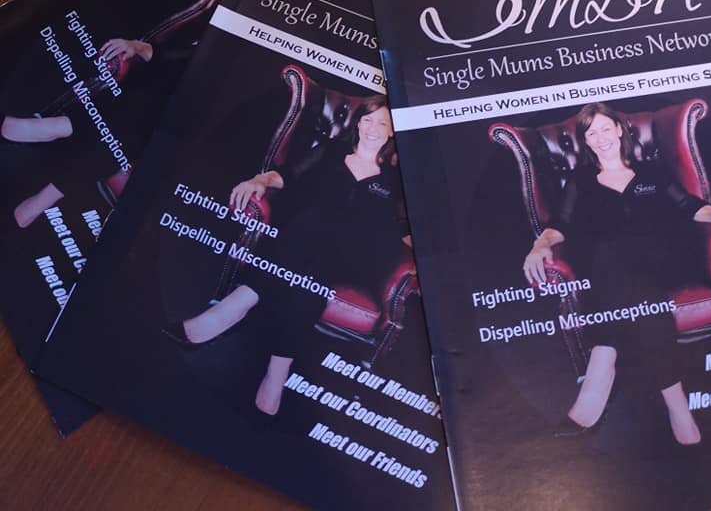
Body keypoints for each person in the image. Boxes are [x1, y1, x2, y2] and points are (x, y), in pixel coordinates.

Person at [164, 95, 412, 416]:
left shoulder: (396, 180)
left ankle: (234, 307)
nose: (373, 128)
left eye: (382, 123)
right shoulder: (333, 151)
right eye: (368, 119)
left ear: (391, 131)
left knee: (316, 227)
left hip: (356, 259)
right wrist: (258, 180)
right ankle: (275, 377)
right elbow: (288, 174)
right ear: (358, 122)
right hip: (311, 251)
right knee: (311, 278)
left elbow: (404, 229)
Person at [522, 102, 711, 445]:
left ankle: (601, 367)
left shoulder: (651, 171)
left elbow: (689, 206)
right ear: (586, 141)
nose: (600, 138)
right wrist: (541, 244)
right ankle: (678, 405)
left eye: (605, 129)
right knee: (630, 283)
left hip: (662, 261)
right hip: (618, 274)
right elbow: (560, 224)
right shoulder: (581, 180)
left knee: (615, 265)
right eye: (591, 133)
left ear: (619, 129)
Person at [4, 37, 153, 228]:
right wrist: (135, 46)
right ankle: (40, 200)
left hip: (152, 140)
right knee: (126, 122)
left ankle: (52, 129)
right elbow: (161, 55)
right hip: (140, 101)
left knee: (121, 141)